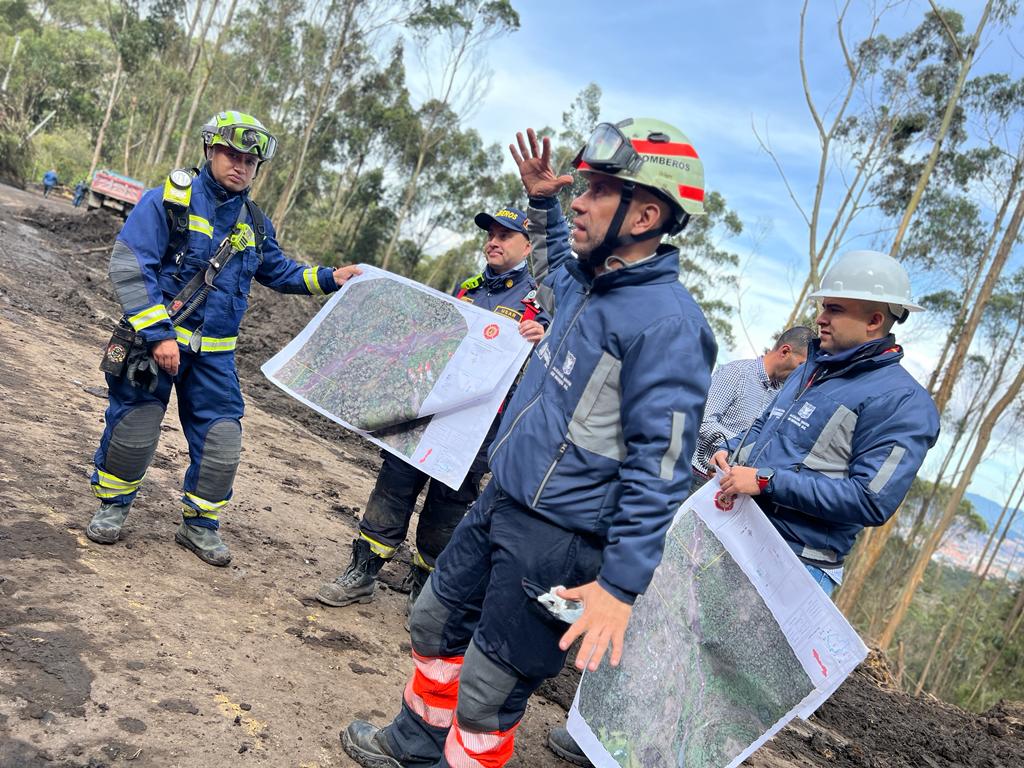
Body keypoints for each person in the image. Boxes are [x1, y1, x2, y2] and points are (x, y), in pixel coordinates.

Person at [340, 119, 716, 768]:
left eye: (597, 190)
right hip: (502, 500)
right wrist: (541, 202)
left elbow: (661, 470)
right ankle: (415, 742)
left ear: (645, 215)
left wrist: (620, 587)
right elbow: (548, 260)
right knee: (432, 621)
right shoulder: (585, 284)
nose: (580, 201)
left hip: (561, 538)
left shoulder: (670, 327)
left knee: (490, 689)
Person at [86, 110, 362, 566]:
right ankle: (113, 506)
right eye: (232, 155)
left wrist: (331, 277)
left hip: (214, 360)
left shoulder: (254, 222)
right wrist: (158, 335)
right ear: (209, 151)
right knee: (134, 429)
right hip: (155, 347)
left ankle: (199, 525)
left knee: (222, 442)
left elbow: (280, 271)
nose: (241, 166)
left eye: (250, 162)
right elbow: (131, 264)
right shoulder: (167, 201)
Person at [315, 205, 549, 612]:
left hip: (477, 428)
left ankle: (424, 590)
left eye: (504, 236)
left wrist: (543, 335)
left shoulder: (539, 303)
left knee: (448, 506)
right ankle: (363, 572)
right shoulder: (467, 288)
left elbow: (556, 357)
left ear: (528, 247)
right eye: (490, 234)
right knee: (394, 484)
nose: (493, 242)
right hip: (428, 409)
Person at [712, 249, 940, 597]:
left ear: (874, 320)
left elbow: (870, 500)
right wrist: (731, 449)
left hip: (795, 565)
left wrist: (765, 480)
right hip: (740, 531)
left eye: (834, 309)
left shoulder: (903, 401)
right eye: (823, 307)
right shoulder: (811, 369)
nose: (820, 318)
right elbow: (766, 424)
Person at [690, 325, 814, 491]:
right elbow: (703, 421)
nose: (802, 374)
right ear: (785, 351)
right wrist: (747, 446)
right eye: (801, 365)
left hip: (729, 488)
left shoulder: (781, 395)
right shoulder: (736, 373)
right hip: (698, 476)